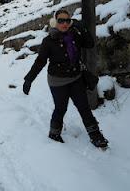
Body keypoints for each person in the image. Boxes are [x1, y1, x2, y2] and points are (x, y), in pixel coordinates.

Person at [23, 9, 108, 148]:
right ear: (55, 22)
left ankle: (96, 136)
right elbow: (40, 62)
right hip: (57, 82)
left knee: (84, 108)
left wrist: (83, 29)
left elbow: (90, 44)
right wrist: (29, 80)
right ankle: (54, 133)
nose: (64, 23)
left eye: (67, 21)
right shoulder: (48, 41)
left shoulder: (75, 35)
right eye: (61, 21)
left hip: (76, 78)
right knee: (60, 108)